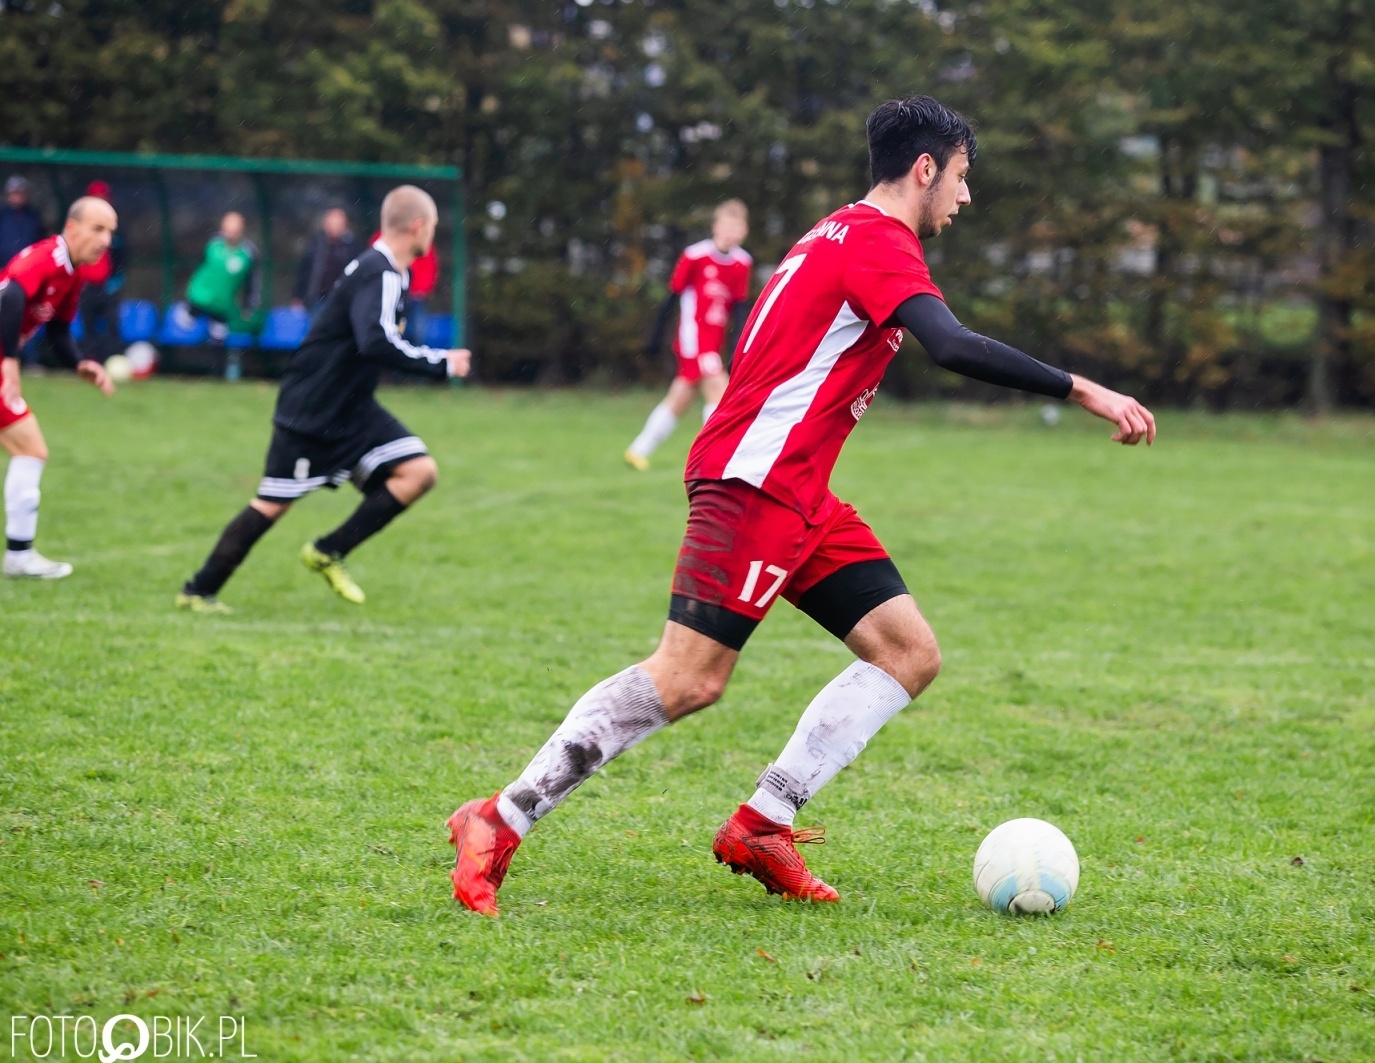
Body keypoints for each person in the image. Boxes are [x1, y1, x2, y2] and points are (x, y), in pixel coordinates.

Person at [446, 96, 1157, 916]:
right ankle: (501, 818)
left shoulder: (836, 231)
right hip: (755, 484)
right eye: (961, 178)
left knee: (908, 652)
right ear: (924, 169)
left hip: (798, 490)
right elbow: (953, 344)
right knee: (687, 676)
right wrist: (1085, 388)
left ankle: (763, 821)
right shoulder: (878, 243)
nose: (965, 198)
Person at [175, 187, 470, 614]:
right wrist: (440, 364)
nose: (434, 236)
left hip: (351, 407)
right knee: (272, 504)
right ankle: (198, 590)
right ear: (418, 227)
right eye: (434, 227)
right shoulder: (381, 273)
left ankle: (328, 550)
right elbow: (375, 341)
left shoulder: (388, 272)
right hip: (313, 409)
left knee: (419, 472)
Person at [0, 197, 118, 580]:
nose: (106, 240)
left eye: (111, 232)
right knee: (31, 449)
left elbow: (58, 331)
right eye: (98, 229)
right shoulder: (46, 258)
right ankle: (18, 555)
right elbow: (11, 296)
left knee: (30, 449)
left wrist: (79, 362)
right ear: (72, 228)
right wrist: (10, 363)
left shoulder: (74, 272)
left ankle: (19, 554)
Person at [623, 200, 753, 471]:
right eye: (726, 226)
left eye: (737, 227)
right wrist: (655, 338)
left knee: (679, 398)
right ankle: (715, 459)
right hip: (693, 338)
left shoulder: (742, 263)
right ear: (715, 226)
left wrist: (738, 345)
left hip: (713, 342)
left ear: (744, 232)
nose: (731, 232)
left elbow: (739, 309)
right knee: (721, 392)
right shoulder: (695, 256)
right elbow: (673, 298)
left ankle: (638, 450)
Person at [174, 211, 260, 343]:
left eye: (234, 230)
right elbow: (199, 265)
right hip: (197, 301)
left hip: (222, 307)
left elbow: (252, 282)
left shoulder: (248, 253)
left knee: (217, 343)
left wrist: (248, 305)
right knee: (182, 336)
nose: (230, 234)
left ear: (241, 230)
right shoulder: (212, 243)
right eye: (227, 230)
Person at [75, 180, 127, 364]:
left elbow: (122, 254)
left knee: (112, 324)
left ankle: (113, 359)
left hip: (107, 286)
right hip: (86, 286)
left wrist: (117, 277)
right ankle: (91, 360)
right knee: (88, 325)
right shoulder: (80, 226)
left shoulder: (115, 226)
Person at [369, 227, 436, 345]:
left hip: (414, 298)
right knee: (389, 335)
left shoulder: (422, 242)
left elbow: (429, 267)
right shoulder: (380, 240)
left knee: (417, 333)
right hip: (387, 297)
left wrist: (420, 289)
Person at [293, 207, 357, 314]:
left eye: (338, 223)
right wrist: (298, 296)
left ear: (345, 225)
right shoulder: (315, 244)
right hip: (316, 300)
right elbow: (304, 271)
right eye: (331, 222)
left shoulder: (352, 248)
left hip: (342, 301)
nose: (334, 227)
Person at [0, 177, 45, 267]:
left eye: (19, 193)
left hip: (28, 268)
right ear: (8, 195)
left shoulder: (34, 216)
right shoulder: (2, 215)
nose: (17, 197)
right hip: (3, 267)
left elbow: (40, 242)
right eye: (14, 193)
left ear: (26, 194)